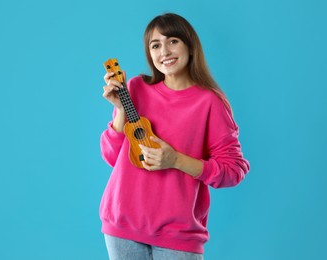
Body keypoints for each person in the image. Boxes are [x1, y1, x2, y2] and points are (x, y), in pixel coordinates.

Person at [100, 13, 250, 259]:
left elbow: (233, 170)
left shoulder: (210, 102)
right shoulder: (136, 88)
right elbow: (113, 157)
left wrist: (175, 160)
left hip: (178, 234)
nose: (165, 51)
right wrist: (119, 110)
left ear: (190, 46)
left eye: (173, 41)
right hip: (121, 225)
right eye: (156, 45)